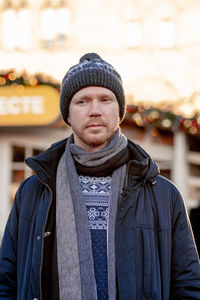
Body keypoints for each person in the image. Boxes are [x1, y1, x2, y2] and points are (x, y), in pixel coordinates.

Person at [0, 53, 200, 300]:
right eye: (82, 101)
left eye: (105, 99)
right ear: (68, 115)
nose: (94, 110)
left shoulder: (162, 194)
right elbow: (7, 282)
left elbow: (188, 284)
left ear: (120, 112)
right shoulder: (34, 192)